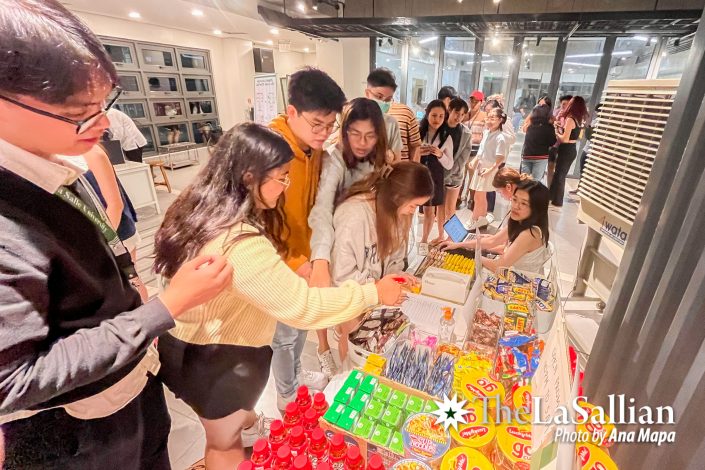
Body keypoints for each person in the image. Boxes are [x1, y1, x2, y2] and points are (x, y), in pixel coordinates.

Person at [0, 1, 231, 467]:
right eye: (80, 112)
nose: (103, 124)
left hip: (129, 391)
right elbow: (13, 381)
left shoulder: (54, 162)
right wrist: (165, 308)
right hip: (78, 433)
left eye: (104, 105)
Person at [153, 123, 404, 469]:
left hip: (183, 344)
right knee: (223, 443)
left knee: (228, 425)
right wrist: (374, 292)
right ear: (250, 177)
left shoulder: (198, 209)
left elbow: (247, 279)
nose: (286, 186)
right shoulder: (239, 241)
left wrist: (292, 270)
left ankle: (246, 427)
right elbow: (303, 308)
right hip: (216, 360)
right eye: (282, 177)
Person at [268, 67, 347, 410]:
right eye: (317, 124)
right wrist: (298, 263)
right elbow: (262, 223)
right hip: (280, 260)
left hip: (304, 255)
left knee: (300, 325)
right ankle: (286, 396)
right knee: (284, 336)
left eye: (330, 125)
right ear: (292, 112)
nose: (324, 133)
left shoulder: (313, 148)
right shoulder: (270, 151)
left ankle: (297, 376)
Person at [307, 97, 390, 377]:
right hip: (328, 239)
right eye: (354, 133)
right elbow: (321, 211)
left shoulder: (379, 159)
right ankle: (323, 349)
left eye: (370, 135)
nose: (362, 142)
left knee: (351, 317)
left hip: (357, 241)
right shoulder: (335, 160)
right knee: (329, 303)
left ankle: (343, 357)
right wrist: (320, 258)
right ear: (344, 131)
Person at [330, 161, 433, 363]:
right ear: (397, 196)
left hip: (375, 297)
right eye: (413, 205)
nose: (413, 212)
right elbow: (341, 276)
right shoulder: (354, 215)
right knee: (352, 343)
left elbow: (395, 258)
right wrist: (378, 287)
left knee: (368, 344)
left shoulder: (396, 213)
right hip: (352, 294)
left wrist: (398, 277)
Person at [61, 139, 149, 301]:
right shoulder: (54, 154)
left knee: (131, 281)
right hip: (89, 235)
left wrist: (101, 243)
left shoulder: (91, 152)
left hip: (115, 231)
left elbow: (115, 204)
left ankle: (148, 313)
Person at [441, 179, 550, 274]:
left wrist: (471, 254)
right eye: (515, 199)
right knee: (456, 250)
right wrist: (459, 244)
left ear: (537, 208)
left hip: (517, 283)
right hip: (508, 271)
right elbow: (493, 241)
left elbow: (498, 266)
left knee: (457, 256)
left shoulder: (530, 234)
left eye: (524, 203)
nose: (516, 206)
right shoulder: (520, 221)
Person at [418, 99, 454, 254]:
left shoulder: (446, 137)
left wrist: (440, 154)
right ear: (427, 114)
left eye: (441, 116)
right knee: (420, 209)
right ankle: (420, 240)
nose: (437, 120)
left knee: (432, 209)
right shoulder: (418, 132)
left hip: (436, 176)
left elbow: (450, 164)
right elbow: (409, 155)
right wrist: (419, 152)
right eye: (434, 115)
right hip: (419, 175)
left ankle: (426, 239)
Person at [467, 108, 509, 229]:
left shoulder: (500, 137)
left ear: (500, 120)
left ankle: (474, 219)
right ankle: (482, 219)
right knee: (479, 196)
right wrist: (474, 161)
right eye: (488, 117)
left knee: (479, 196)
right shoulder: (486, 132)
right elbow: (481, 151)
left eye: (493, 118)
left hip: (488, 169)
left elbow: (500, 158)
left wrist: (490, 170)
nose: (489, 121)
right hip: (481, 168)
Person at [372, 69, 422, 162]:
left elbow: (415, 146)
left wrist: (413, 169)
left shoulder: (405, 112)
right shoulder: (362, 113)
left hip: (400, 169)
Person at [551, 96, 588, 207]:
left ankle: (557, 201)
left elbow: (564, 139)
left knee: (560, 175)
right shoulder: (578, 119)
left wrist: (556, 131)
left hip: (566, 149)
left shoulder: (570, 119)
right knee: (559, 174)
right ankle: (552, 197)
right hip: (571, 149)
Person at [363, 69, 403, 161]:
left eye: (388, 99)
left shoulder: (391, 123)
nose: (384, 102)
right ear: (367, 93)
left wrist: (391, 157)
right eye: (379, 97)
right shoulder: (353, 118)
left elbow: (397, 160)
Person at [443, 97, 472, 226]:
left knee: (450, 210)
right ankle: (441, 235)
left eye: (462, 114)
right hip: (438, 175)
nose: (459, 117)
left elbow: (463, 158)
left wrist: (449, 171)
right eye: (456, 112)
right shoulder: (439, 127)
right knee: (439, 209)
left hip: (454, 176)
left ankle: (454, 236)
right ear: (449, 109)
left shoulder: (466, 133)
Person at [461, 91, 486, 209]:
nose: (473, 104)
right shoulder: (465, 115)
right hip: (463, 150)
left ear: (481, 102)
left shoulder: (484, 116)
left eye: (476, 101)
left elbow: (485, 134)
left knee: (472, 177)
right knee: (461, 175)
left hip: (475, 151)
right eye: (472, 101)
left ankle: (471, 199)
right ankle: (458, 198)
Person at [520, 105, 557, 183]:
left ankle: (523, 191)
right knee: (535, 182)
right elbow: (552, 142)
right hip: (540, 157)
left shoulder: (530, 126)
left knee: (524, 180)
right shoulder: (549, 128)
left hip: (527, 155)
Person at [547, 94, 573, 186]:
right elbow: (550, 123)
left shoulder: (572, 117)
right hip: (554, 145)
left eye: (567, 104)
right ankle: (549, 188)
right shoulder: (556, 112)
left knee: (560, 171)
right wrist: (555, 120)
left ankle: (555, 189)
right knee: (550, 168)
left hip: (564, 147)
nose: (564, 106)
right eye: (563, 104)